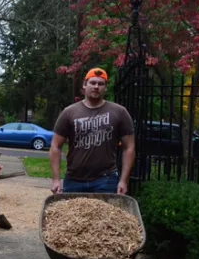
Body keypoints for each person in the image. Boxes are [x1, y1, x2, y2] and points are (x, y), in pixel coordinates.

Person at [49, 67, 135, 195]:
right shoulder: (69, 112)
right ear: (85, 85)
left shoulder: (119, 112)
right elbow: (55, 146)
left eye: (100, 84)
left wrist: (123, 180)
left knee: (104, 215)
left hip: (106, 179)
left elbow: (129, 148)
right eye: (92, 83)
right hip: (73, 180)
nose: (96, 87)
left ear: (105, 87)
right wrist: (56, 179)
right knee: (73, 215)